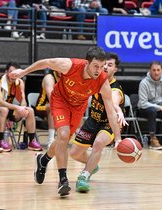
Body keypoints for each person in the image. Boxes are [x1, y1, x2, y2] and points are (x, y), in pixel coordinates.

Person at [9, 46, 123, 197]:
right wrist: (22, 72)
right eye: (96, 66)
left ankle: (43, 160)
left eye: (102, 67)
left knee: (62, 140)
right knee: (63, 134)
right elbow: (46, 62)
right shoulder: (70, 65)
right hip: (60, 100)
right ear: (87, 63)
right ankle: (63, 180)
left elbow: (110, 112)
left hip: (77, 107)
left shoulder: (102, 81)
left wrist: (119, 138)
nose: (99, 70)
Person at [70, 52, 127, 193]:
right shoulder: (94, 79)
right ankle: (92, 165)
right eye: (104, 64)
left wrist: (118, 111)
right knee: (74, 153)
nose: (106, 67)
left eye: (110, 65)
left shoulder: (115, 89)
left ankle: (84, 176)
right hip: (93, 119)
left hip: (110, 123)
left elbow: (114, 102)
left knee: (99, 142)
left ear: (115, 69)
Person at [0, 61, 42, 152]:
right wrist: (17, 108)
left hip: (9, 108)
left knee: (30, 111)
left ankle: (32, 141)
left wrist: (23, 108)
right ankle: (0, 140)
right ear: (6, 72)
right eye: (11, 72)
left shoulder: (19, 82)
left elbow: (23, 100)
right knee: (4, 110)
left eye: (15, 72)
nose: (13, 75)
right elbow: (0, 102)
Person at [34, 68, 61, 149]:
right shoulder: (49, 77)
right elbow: (51, 97)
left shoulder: (66, 78)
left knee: (77, 107)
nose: (62, 71)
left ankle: (80, 139)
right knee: (53, 107)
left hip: (59, 106)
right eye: (60, 68)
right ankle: (51, 140)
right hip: (42, 107)